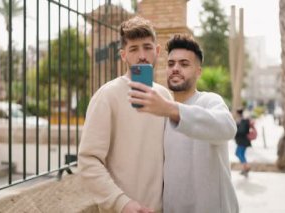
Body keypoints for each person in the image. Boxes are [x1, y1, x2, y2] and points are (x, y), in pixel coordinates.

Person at [128, 34, 239, 213]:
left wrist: (173, 110)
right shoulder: (162, 111)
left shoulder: (210, 101)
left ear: (198, 71)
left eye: (184, 64)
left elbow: (227, 128)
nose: (175, 69)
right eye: (171, 64)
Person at [78, 16, 172, 213]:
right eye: (134, 49)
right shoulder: (107, 96)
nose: (142, 56)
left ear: (157, 51)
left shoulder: (165, 97)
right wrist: (123, 204)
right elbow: (88, 161)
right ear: (123, 55)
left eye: (147, 47)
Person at [234, 109, 252, 177]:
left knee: (239, 153)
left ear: (238, 114)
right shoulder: (242, 120)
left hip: (243, 141)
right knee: (240, 154)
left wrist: (236, 131)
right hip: (242, 141)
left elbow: (241, 131)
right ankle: (245, 168)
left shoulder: (243, 121)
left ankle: (246, 167)